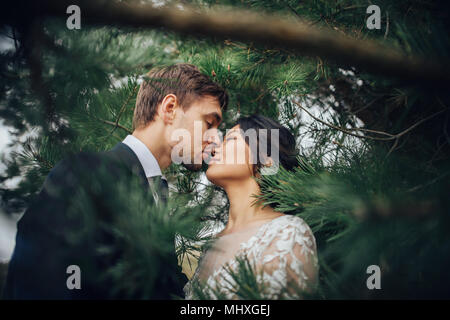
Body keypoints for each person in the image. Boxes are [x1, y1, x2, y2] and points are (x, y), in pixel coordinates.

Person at [3, 63, 228, 299]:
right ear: (170, 108)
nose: (214, 139)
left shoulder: (157, 194)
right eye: (209, 123)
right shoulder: (87, 174)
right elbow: (42, 278)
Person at [184, 115, 318, 299]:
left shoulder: (287, 232)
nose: (214, 149)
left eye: (230, 139)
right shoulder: (210, 246)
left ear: (266, 159)